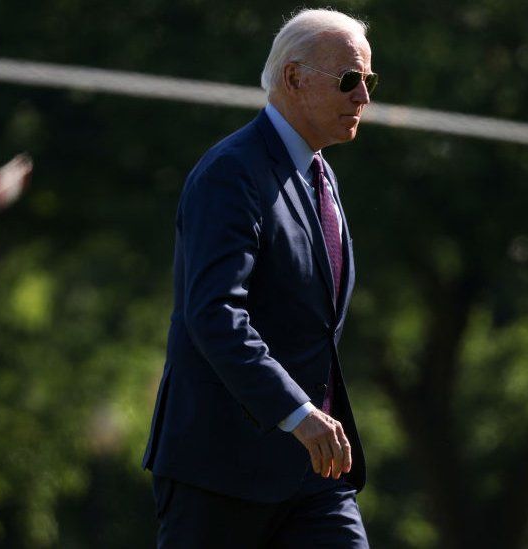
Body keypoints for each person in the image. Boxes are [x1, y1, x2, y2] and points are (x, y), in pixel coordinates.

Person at [142, 7, 377, 548]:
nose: (363, 97)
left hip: (314, 476)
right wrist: (297, 413)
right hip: (220, 471)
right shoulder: (231, 171)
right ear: (294, 77)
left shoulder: (320, 174)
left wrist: (308, 424)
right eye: (349, 80)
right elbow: (215, 314)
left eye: (368, 81)